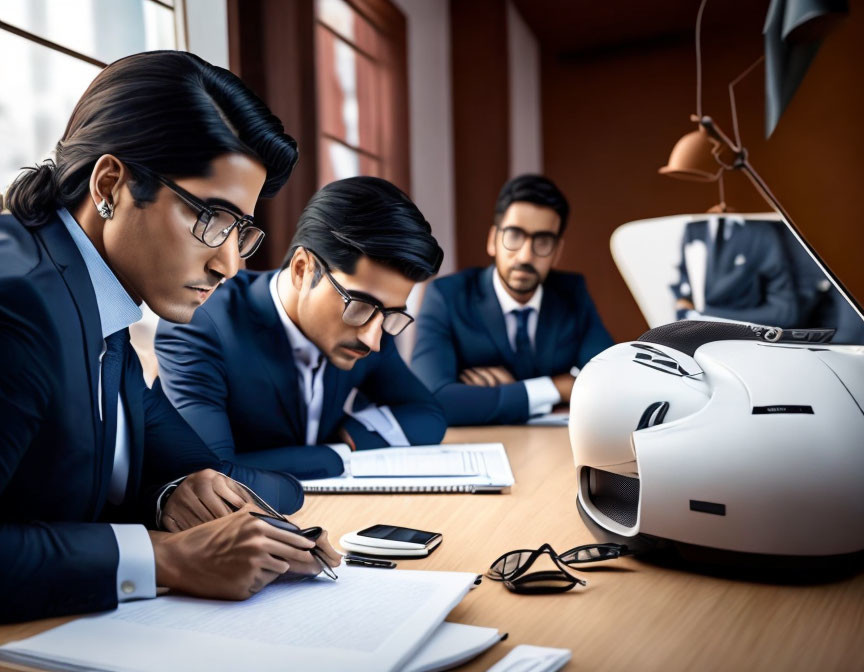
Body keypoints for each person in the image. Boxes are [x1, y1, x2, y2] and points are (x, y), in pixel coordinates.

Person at [0, 51, 339, 625]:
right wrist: (167, 558)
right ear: (112, 184)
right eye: (210, 218)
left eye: (242, 231)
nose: (229, 264)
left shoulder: (102, 310)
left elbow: (222, 473)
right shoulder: (20, 300)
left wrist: (176, 493)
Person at [155, 176, 447, 480]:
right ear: (302, 270)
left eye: (391, 315)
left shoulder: (373, 323)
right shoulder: (202, 323)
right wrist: (333, 457)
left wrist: (350, 439)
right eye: (359, 306)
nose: (373, 341)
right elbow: (212, 475)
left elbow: (428, 416)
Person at [411, 174, 613, 426]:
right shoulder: (446, 296)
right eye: (515, 235)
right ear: (492, 240)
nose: (526, 256)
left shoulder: (571, 292)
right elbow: (432, 399)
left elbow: (610, 382)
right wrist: (554, 387)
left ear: (557, 252)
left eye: (543, 241)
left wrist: (504, 393)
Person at [671, 216, 798, 327]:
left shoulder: (763, 232)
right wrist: (683, 303)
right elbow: (684, 282)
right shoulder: (693, 228)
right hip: (697, 334)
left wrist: (702, 315)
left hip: (745, 336)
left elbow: (785, 312)